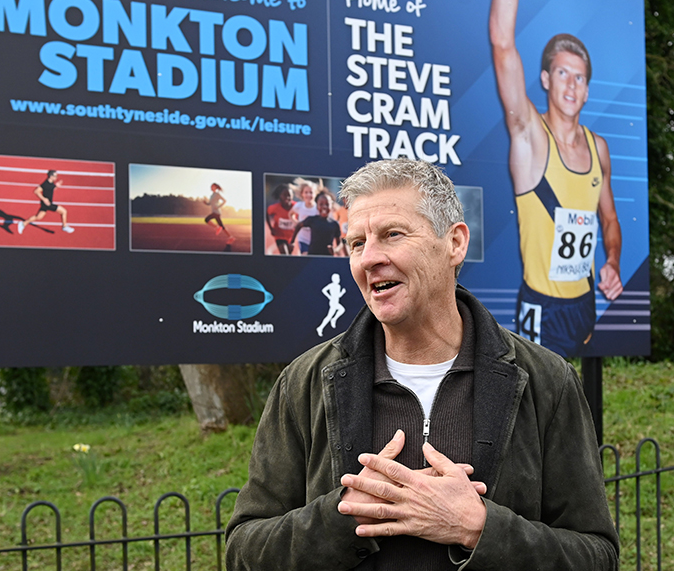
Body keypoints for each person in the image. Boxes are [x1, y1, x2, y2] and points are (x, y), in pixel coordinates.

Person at [226, 158, 618, 570]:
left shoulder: (546, 380)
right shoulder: (303, 383)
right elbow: (244, 551)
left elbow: (597, 556)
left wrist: (480, 529)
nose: (368, 259)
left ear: (455, 243)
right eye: (356, 243)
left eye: (392, 235)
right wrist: (345, 517)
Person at [490, 0, 623, 357]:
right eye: (563, 73)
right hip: (542, 308)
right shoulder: (530, 137)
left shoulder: (599, 148)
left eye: (579, 78)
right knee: (537, 395)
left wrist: (613, 262)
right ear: (546, 79)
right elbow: (502, 44)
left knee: (575, 394)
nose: (571, 84)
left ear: (587, 91)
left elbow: (609, 220)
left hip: (584, 302)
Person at [17, 170, 74, 234]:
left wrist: (56, 186)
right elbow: (36, 191)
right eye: (55, 176)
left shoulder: (51, 183)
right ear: (51, 176)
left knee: (38, 217)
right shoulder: (45, 184)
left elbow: (51, 189)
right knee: (64, 211)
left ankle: (23, 223)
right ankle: (64, 226)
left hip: (45, 204)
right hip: (47, 204)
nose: (56, 177)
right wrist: (44, 199)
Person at [290, 192, 342, 257]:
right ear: (317, 206)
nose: (324, 207)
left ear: (331, 206)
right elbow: (299, 226)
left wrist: (335, 250)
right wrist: (292, 242)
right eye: (321, 204)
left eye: (327, 204)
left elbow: (340, 243)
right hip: (312, 256)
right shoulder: (312, 220)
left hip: (327, 257)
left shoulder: (334, 224)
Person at [289, 179, 319, 254]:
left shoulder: (318, 208)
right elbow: (290, 214)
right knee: (305, 255)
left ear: (315, 194)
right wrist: (295, 222)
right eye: (306, 192)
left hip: (314, 239)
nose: (308, 195)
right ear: (302, 194)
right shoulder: (299, 206)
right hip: (302, 239)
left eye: (311, 192)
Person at [267, 183, 296, 255]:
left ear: (292, 195)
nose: (287, 198)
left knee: (289, 255)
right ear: (280, 196)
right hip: (279, 236)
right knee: (284, 254)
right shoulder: (275, 208)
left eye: (289, 195)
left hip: (291, 237)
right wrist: (271, 228)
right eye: (285, 195)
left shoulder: (296, 207)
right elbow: (267, 213)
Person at [317, 273, 347, 337]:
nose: (338, 280)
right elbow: (324, 290)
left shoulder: (338, 286)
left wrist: (342, 292)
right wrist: (329, 297)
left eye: (338, 278)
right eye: (337, 278)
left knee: (342, 310)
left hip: (336, 302)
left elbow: (338, 296)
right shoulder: (331, 285)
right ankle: (320, 328)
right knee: (329, 316)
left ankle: (333, 319)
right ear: (333, 279)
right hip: (333, 303)